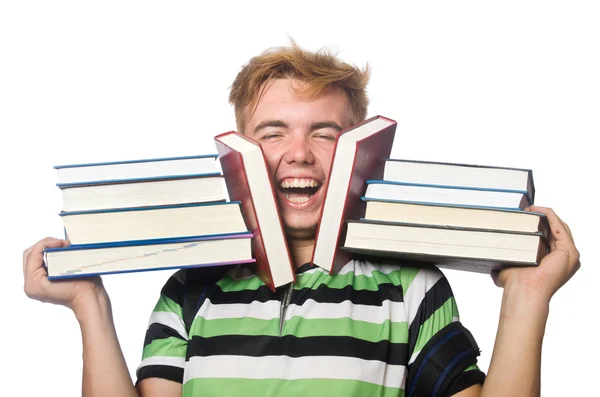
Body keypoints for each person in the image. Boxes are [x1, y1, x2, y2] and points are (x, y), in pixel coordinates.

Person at [23, 43, 580, 397]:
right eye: (273, 132)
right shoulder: (191, 290)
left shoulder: (411, 288)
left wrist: (527, 296)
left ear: (361, 153)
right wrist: (90, 307)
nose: (299, 154)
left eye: (324, 133)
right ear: (240, 155)